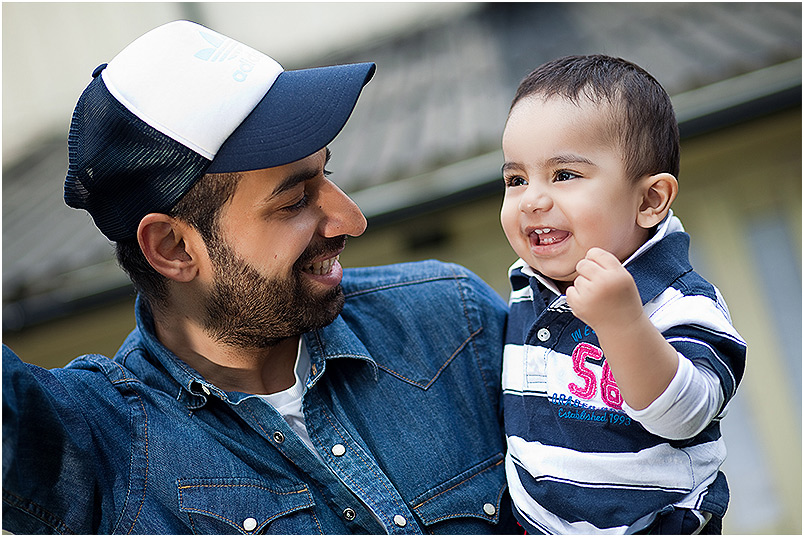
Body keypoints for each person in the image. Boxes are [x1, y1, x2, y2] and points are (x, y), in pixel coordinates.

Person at [2, 20, 518, 534]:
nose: (352, 220)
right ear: (173, 247)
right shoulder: (98, 446)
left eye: (327, 174)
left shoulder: (451, 319)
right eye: (293, 201)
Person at [499, 55, 746, 534]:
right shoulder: (528, 289)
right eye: (516, 180)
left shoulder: (678, 301)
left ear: (650, 200)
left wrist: (622, 323)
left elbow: (687, 414)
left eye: (564, 175)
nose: (532, 200)